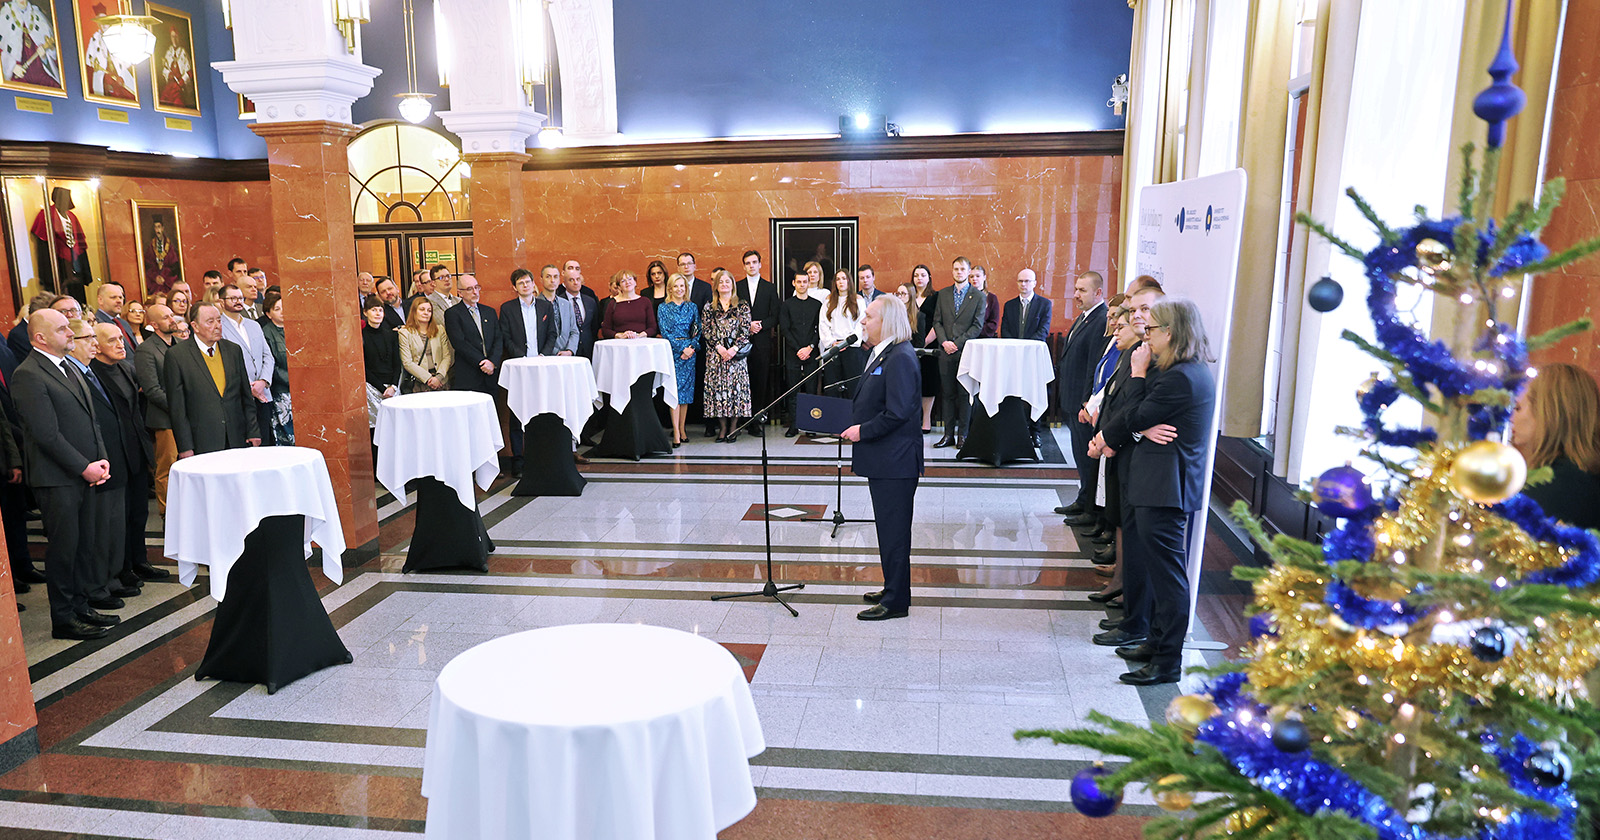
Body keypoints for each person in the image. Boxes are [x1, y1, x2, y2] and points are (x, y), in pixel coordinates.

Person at [1094, 298, 1215, 686]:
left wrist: (1138, 373)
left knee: (1168, 578)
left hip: (1167, 489)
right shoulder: (1178, 370)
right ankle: (1155, 641)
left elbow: (1137, 413)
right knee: (1159, 572)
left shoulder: (1180, 376)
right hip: (1158, 485)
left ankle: (1167, 661)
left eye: (1154, 329)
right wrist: (1140, 424)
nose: (1147, 335)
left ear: (1172, 332)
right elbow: (1141, 418)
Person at [12, 309, 115, 639]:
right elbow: (46, 434)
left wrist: (101, 459)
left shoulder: (69, 366)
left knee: (84, 544)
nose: (71, 333)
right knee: (64, 548)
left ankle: (82, 606)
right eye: (62, 329)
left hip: (84, 471)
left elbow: (90, 420)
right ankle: (64, 617)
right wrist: (83, 467)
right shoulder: (28, 374)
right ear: (41, 337)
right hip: (56, 478)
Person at [841, 297, 922, 621]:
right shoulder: (884, 352)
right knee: (889, 529)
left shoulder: (900, 356)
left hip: (896, 461)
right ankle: (894, 588)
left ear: (886, 321)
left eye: (869, 317)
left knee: (894, 531)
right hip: (886, 459)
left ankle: (895, 602)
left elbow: (899, 412)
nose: (863, 321)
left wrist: (863, 430)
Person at [90, 323, 154, 596]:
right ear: (97, 346)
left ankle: (140, 561)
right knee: (120, 516)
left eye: (121, 339)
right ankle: (123, 567)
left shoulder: (126, 368)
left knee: (139, 511)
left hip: (135, 448)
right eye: (112, 340)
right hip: (113, 454)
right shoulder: (92, 374)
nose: (121, 344)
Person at [164, 301, 261, 457]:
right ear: (195, 326)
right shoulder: (177, 356)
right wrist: (185, 446)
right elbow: (177, 408)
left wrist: (253, 431)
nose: (217, 326)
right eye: (210, 322)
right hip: (202, 440)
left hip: (236, 436)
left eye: (219, 320)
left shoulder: (233, 350)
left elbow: (245, 396)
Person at [1510, 362, 1600, 530]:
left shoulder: (1560, 486)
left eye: (1518, 408)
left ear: (1547, 413)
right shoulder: (1581, 476)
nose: (1511, 418)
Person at [1058, 270, 1110, 524]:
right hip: (1072, 398)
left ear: (1098, 293)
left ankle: (1090, 509)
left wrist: (1086, 403)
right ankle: (1082, 498)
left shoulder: (1101, 319)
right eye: (1076, 289)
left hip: (1082, 403)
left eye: (1082, 290)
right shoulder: (1086, 316)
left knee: (1087, 455)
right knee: (1079, 453)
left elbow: (1094, 366)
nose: (1076, 294)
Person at [931, 256, 985, 448]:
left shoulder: (979, 296)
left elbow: (977, 326)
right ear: (952, 271)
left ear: (968, 272)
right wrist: (945, 341)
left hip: (966, 352)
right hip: (945, 352)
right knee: (947, 394)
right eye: (956, 269)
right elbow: (937, 321)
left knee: (964, 394)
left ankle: (963, 434)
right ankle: (948, 435)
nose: (959, 272)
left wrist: (957, 343)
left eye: (962, 269)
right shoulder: (943, 294)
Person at [135, 303, 180, 513]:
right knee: (167, 468)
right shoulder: (146, 349)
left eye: (172, 315)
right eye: (166, 317)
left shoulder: (180, 344)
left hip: (186, 416)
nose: (172, 319)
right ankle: (166, 514)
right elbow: (152, 389)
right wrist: (179, 409)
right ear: (154, 324)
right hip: (165, 417)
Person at [1001, 268, 1055, 447]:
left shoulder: (1044, 304)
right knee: (1013, 393)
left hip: (1033, 358)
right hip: (1013, 358)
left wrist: (1024, 348)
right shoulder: (1009, 305)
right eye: (1020, 281)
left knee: (1034, 395)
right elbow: (1005, 330)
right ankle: (1016, 430)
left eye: (1027, 281)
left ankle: (1035, 432)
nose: (1023, 284)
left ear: (1034, 283)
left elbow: (1043, 331)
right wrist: (1016, 349)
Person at [219, 284, 276, 447]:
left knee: (265, 443)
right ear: (221, 302)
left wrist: (263, 381)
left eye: (240, 298)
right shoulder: (220, 327)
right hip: (241, 396)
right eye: (233, 298)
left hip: (263, 393)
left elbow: (268, 356)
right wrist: (249, 387)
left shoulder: (254, 325)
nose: (238, 301)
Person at [702, 269, 752, 443]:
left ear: (733, 284)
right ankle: (722, 428)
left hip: (736, 356)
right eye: (721, 282)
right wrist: (720, 348)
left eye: (727, 282)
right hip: (716, 356)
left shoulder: (742, 305)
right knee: (718, 392)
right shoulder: (710, 306)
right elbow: (706, 330)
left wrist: (733, 349)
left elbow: (745, 330)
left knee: (735, 392)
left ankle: (734, 427)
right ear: (716, 286)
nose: (724, 285)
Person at [737, 250, 780, 429]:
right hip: (740, 341)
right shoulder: (737, 287)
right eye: (748, 263)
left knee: (761, 379)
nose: (751, 265)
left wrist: (760, 325)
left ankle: (756, 420)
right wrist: (747, 325)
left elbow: (775, 316)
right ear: (744, 266)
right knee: (742, 379)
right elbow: (732, 314)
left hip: (762, 341)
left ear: (760, 264)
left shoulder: (769, 288)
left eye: (754, 262)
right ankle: (741, 419)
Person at [657, 273, 700, 447]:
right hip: (672, 353)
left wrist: (691, 348)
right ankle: (675, 431)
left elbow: (697, 329)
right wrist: (681, 349)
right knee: (674, 393)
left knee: (686, 395)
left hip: (690, 353)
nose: (680, 289)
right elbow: (665, 331)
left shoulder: (692, 307)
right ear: (670, 288)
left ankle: (682, 429)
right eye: (676, 286)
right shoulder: (663, 307)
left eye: (682, 286)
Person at [779, 268, 823, 437]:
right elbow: (785, 329)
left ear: (809, 283)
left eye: (805, 282)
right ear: (794, 283)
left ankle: (811, 426)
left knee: (812, 390)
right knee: (793, 390)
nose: (802, 284)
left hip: (811, 352)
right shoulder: (787, 305)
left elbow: (819, 329)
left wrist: (810, 347)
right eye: (799, 282)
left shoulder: (816, 305)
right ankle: (794, 426)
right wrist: (798, 349)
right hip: (793, 353)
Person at [444, 274, 501, 396]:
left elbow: (498, 339)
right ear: (460, 293)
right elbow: (459, 343)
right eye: (470, 289)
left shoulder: (489, 312)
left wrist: (492, 362)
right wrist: (482, 362)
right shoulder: (453, 314)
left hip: (491, 374)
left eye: (477, 287)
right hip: (469, 374)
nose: (475, 292)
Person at [819, 269, 867, 398]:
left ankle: (853, 416)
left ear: (849, 281)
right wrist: (832, 342)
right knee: (833, 387)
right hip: (833, 348)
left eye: (844, 278)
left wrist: (848, 341)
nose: (841, 282)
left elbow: (861, 323)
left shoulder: (858, 301)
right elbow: (823, 324)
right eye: (838, 279)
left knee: (852, 386)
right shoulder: (828, 302)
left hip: (851, 347)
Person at [257, 289, 294, 445]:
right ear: (268, 314)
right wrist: (292, 381)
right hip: (281, 390)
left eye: (284, 307)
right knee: (287, 436)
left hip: (300, 389)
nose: (282, 312)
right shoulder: (266, 333)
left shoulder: (294, 329)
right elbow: (271, 364)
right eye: (277, 309)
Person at [397, 297, 454, 393]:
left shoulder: (439, 330)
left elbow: (447, 356)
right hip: (420, 382)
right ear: (414, 311)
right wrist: (428, 379)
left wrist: (438, 377)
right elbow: (407, 362)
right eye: (422, 309)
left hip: (441, 381)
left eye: (429, 310)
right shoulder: (405, 332)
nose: (426, 313)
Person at [362, 296, 400, 428]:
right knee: (376, 427)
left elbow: (397, 363)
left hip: (393, 389)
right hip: (372, 389)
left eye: (380, 310)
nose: (378, 313)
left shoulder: (391, 334)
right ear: (365, 312)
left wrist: (393, 387)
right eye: (374, 310)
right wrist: (383, 389)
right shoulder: (361, 336)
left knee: (395, 426)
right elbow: (364, 367)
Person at [910, 265, 939, 433]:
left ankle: (926, 420)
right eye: (916, 275)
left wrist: (923, 343)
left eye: (923, 275)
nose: (919, 278)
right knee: (911, 382)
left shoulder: (936, 297)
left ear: (929, 277)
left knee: (929, 382)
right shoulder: (908, 296)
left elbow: (938, 322)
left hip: (930, 346)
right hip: (909, 347)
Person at [559, 260, 600, 358]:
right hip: (567, 349)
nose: (575, 282)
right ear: (564, 282)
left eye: (578, 279)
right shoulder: (560, 301)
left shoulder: (590, 301)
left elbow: (595, 325)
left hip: (588, 348)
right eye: (571, 280)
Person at [600, 269, 658, 339]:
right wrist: (620, 335)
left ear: (635, 282)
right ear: (619, 286)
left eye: (630, 279)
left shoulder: (645, 301)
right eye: (623, 281)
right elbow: (605, 330)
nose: (627, 282)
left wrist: (639, 335)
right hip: (620, 344)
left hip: (641, 343)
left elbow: (653, 328)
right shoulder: (612, 303)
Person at [538, 265, 578, 355]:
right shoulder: (535, 305)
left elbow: (574, 331)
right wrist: (556, 352)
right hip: (545, 356)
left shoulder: (566, 304)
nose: (552, 280)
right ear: (541, 279)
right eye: (548, 277)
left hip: (567, 356)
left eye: (555, 277)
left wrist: (569, 351)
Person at [94, 282, 136, 347]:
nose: (119, 301)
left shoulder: (124, 323)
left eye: (120, 297)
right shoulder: (96, 323)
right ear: (100, 300)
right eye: (113, 297)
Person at [970, 265, 1001, 338]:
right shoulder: (965, 297)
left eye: (978, 276)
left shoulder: (992, 298)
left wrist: (975, 331)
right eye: (971, 276)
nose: (974, 279)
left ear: (984, 277)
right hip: (967, 339)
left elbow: (993, 324)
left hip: (985, 339)